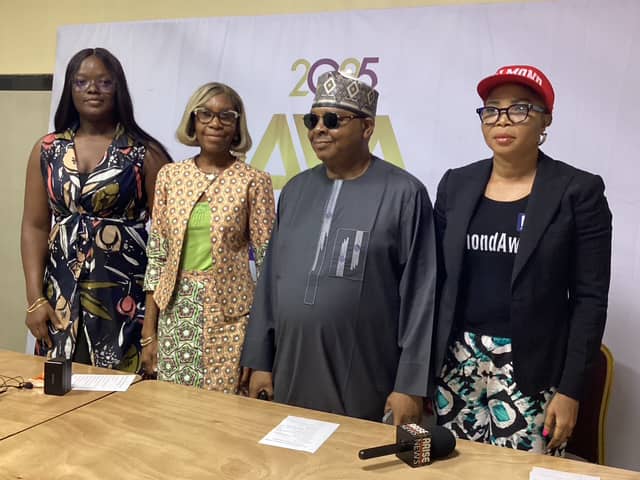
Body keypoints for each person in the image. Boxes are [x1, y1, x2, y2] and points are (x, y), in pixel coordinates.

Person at [432, 65, 612, 454]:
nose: (503, 119)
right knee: (455, 469)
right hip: (456, 363)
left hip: (533, 367)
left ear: (545, 120)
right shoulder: (455, 184)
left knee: (522, 473)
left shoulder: (578, 191)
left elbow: (590, 300)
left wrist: (570, 390)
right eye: (492, 109)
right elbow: (436, 281)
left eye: (519, 109)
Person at [241, 71, 437, 424]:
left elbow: (421, 297)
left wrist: (410, 385)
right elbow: (270, 282)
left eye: (332, 120)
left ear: (367, 128)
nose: (319, 129)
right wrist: (260, 361)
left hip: (366, 374)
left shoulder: (404, 194)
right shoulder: (295, 190)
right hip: (291, 370)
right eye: (312, 120)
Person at [21, 47, 171, 371]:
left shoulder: (144, 153)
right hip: (59, 299)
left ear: (118, 89)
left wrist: (154, 324)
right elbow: (34, 227)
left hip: (125, 300)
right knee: (57, 390)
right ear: (70, 89)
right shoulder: (48, 150)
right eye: (82, 82)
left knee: (123, 394)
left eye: (104, 82)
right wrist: (35, 299)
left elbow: (167, 241)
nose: (93, 89)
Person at [142, 82, 275, 393]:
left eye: (226, 116)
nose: (215, 123)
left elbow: (268, 265)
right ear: (193, 120)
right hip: (175, 313)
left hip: (232, 318)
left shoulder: (254, 181)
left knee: (222, 412)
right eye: (206, 114)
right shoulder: (170, 176)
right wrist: (149, 331)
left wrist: (259, 347)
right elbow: (157, 257)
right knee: (172, 406)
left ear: (237, 124)